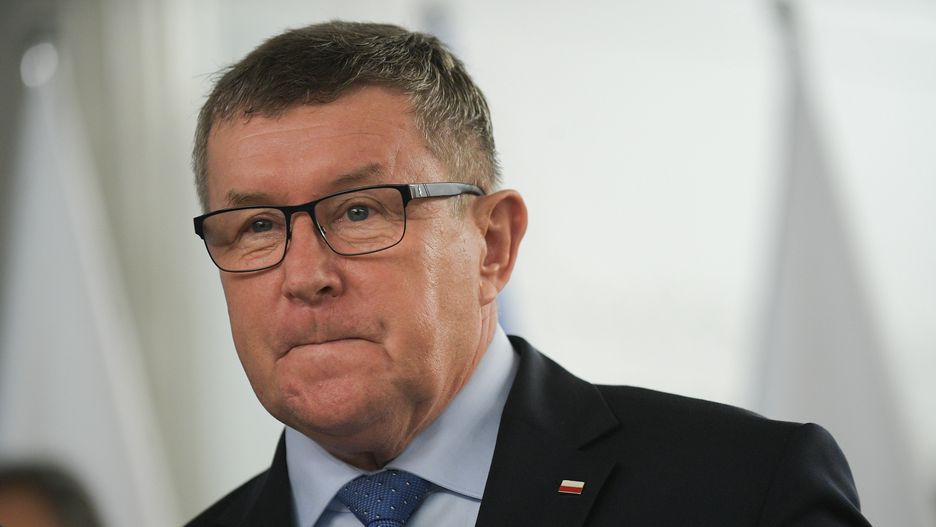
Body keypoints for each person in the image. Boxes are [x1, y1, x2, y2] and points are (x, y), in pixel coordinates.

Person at [186, 21, 870, 527]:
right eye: (258, 226)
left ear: (492, 244)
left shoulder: (743, 491)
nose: (305, 275)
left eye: (361, 211)